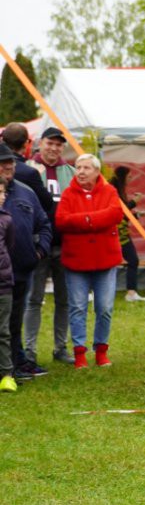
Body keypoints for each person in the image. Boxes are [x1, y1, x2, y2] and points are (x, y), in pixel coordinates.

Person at [55, 153, 123, 369]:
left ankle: (101, 350)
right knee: (77, 307)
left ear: (96, 171)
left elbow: (115, 214)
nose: (81, 171)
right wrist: (94, 219)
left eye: (86, 168)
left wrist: (83, 220)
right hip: (76, 261)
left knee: (104, 307)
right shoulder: (68, 194)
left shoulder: (110, 191)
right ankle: (80, 353)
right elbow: (61, 221)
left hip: (105, 260)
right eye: (78, 167)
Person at [10, 126, 70, 368]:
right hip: (38, 245)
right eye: (50, 143)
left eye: (58, 144)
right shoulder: (29, 171)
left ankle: (60, 347)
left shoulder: (70, 172)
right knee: (33, 300)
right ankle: (31, 349)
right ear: (39, 144)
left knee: (64, 300)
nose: (54, 148)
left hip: (64, 245)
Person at [0, 144, 52, 381]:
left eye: (10, 161)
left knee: (13, 322)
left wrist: (39, 251)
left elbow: (44, 224)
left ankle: (12, 366)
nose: (8, 166)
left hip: (20, 271)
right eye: (3, 163)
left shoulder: (26, 192)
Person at [109, 167, 145, 302]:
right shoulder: (112, 190)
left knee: (132, 260)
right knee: (112, 262)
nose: (131, 178)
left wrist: (136, 214)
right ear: (122, 176)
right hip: (116, 233)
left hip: (122, 233)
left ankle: (131, 292)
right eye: (129, 176)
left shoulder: (119, 189)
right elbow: (121, 209)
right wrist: (135, 201)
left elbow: (123, 213)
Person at [0, 180, 16, 392]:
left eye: (2, 192)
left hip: (3, 284)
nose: (2, 195)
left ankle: (6, 374)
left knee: (3, 331)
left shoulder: (6, 219)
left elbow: (9, 246)